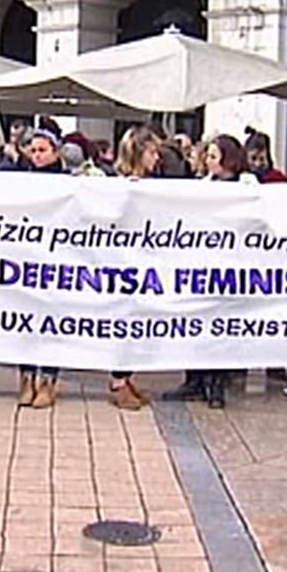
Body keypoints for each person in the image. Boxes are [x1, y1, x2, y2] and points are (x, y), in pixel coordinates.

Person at [162, 134, 256, 409]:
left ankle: (216, 384)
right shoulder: (203, 185)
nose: (209, 161)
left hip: (233, 264)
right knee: (198, 323)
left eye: (214, 156)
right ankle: (194, 380)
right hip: (204, 265)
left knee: (221, 326)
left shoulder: (246, 183)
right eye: (209, 155)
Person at [107, 127, 166, 411]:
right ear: (138, 153)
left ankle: (126, 377)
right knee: (123, 319)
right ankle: (118, 381)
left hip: (141, 262)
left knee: (135, 322)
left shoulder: (149, 183)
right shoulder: (117, 182)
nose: (157, 158)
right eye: (152, 152)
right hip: (121, 264)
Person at [14, 128, 65, 408]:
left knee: (51, 321)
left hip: (56, 260)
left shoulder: (69, 183)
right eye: (32, 150)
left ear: (55, 152)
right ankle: (26, 377)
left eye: (42, 150)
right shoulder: (21, 181)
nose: (36, 155)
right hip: (27, 259)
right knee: (26, 320)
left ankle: (48, 380)